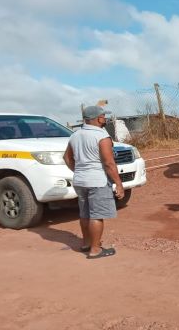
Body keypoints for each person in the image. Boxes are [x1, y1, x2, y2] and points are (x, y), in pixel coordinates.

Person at [63, 106, 124, 259]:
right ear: (98, 118)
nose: (105, 118)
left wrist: (79, 171)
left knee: (85, 214)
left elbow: (67, 158)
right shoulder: (102, 136)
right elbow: (109, 163)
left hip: (80, 180)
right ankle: (95, 250)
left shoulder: (75, 135)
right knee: (97, 215)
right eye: (103, 116)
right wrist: (119, 183)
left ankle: (86, 243)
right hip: (97, 180)